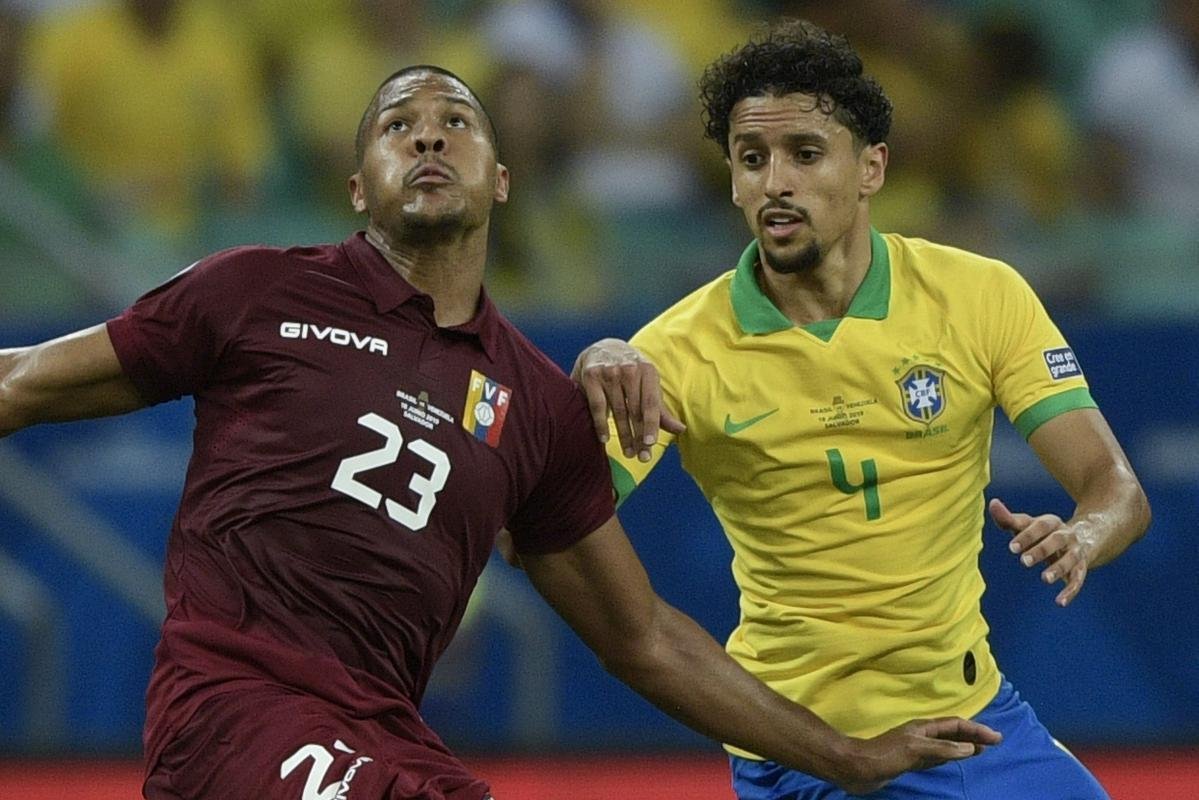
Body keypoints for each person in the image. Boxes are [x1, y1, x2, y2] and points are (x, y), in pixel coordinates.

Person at [0, 65, 999, 800]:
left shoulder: (535, 404)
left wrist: (846, 752)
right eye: (398, 125)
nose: (428, 137)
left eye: (455, 122)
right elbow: (22, 383)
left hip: (385, 733)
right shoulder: (255, 291)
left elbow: (643, 635)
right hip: (233, 709)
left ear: (502, 179)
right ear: (358, 187)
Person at [574, 20, 1151, 800]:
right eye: (752, 159)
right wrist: (591, 375)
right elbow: (551, 526)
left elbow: (1114, 488)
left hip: (975, 728)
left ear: (869, 167)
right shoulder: (675, 353)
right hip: (805, 754)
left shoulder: (980, 296)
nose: (774, 182)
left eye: (804, 155)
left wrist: (1083, 534)